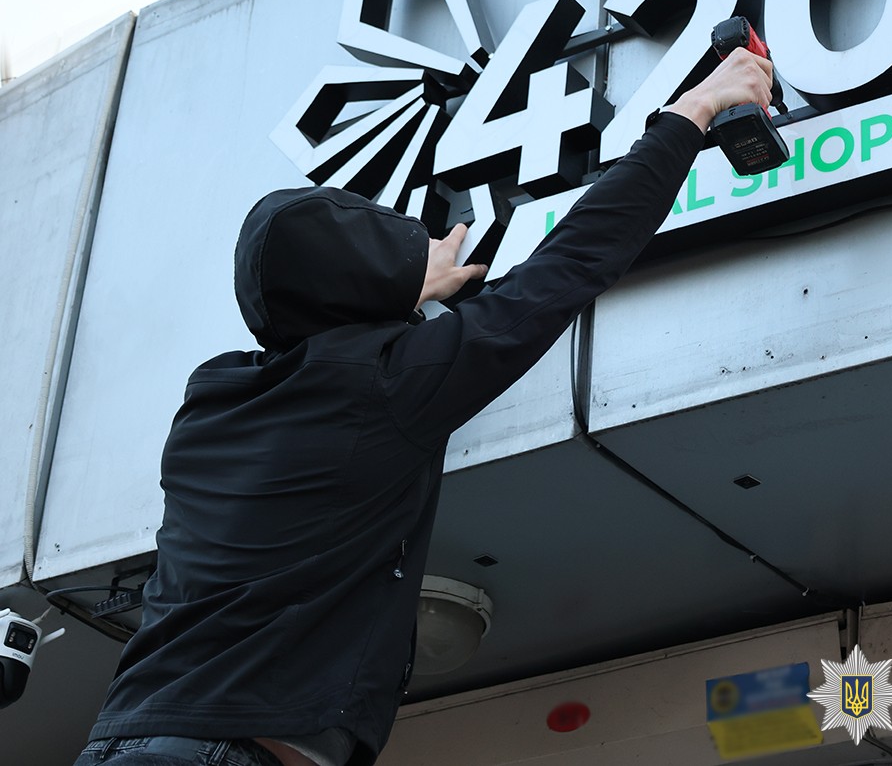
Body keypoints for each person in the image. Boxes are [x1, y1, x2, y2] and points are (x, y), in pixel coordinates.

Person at [73, 49, 774, 766]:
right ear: (363, 281)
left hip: (119, 740)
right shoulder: (381, 387)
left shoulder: (209, 408)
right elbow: (571, 261)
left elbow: (332, 365)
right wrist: (692, 111)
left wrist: (396, 290)